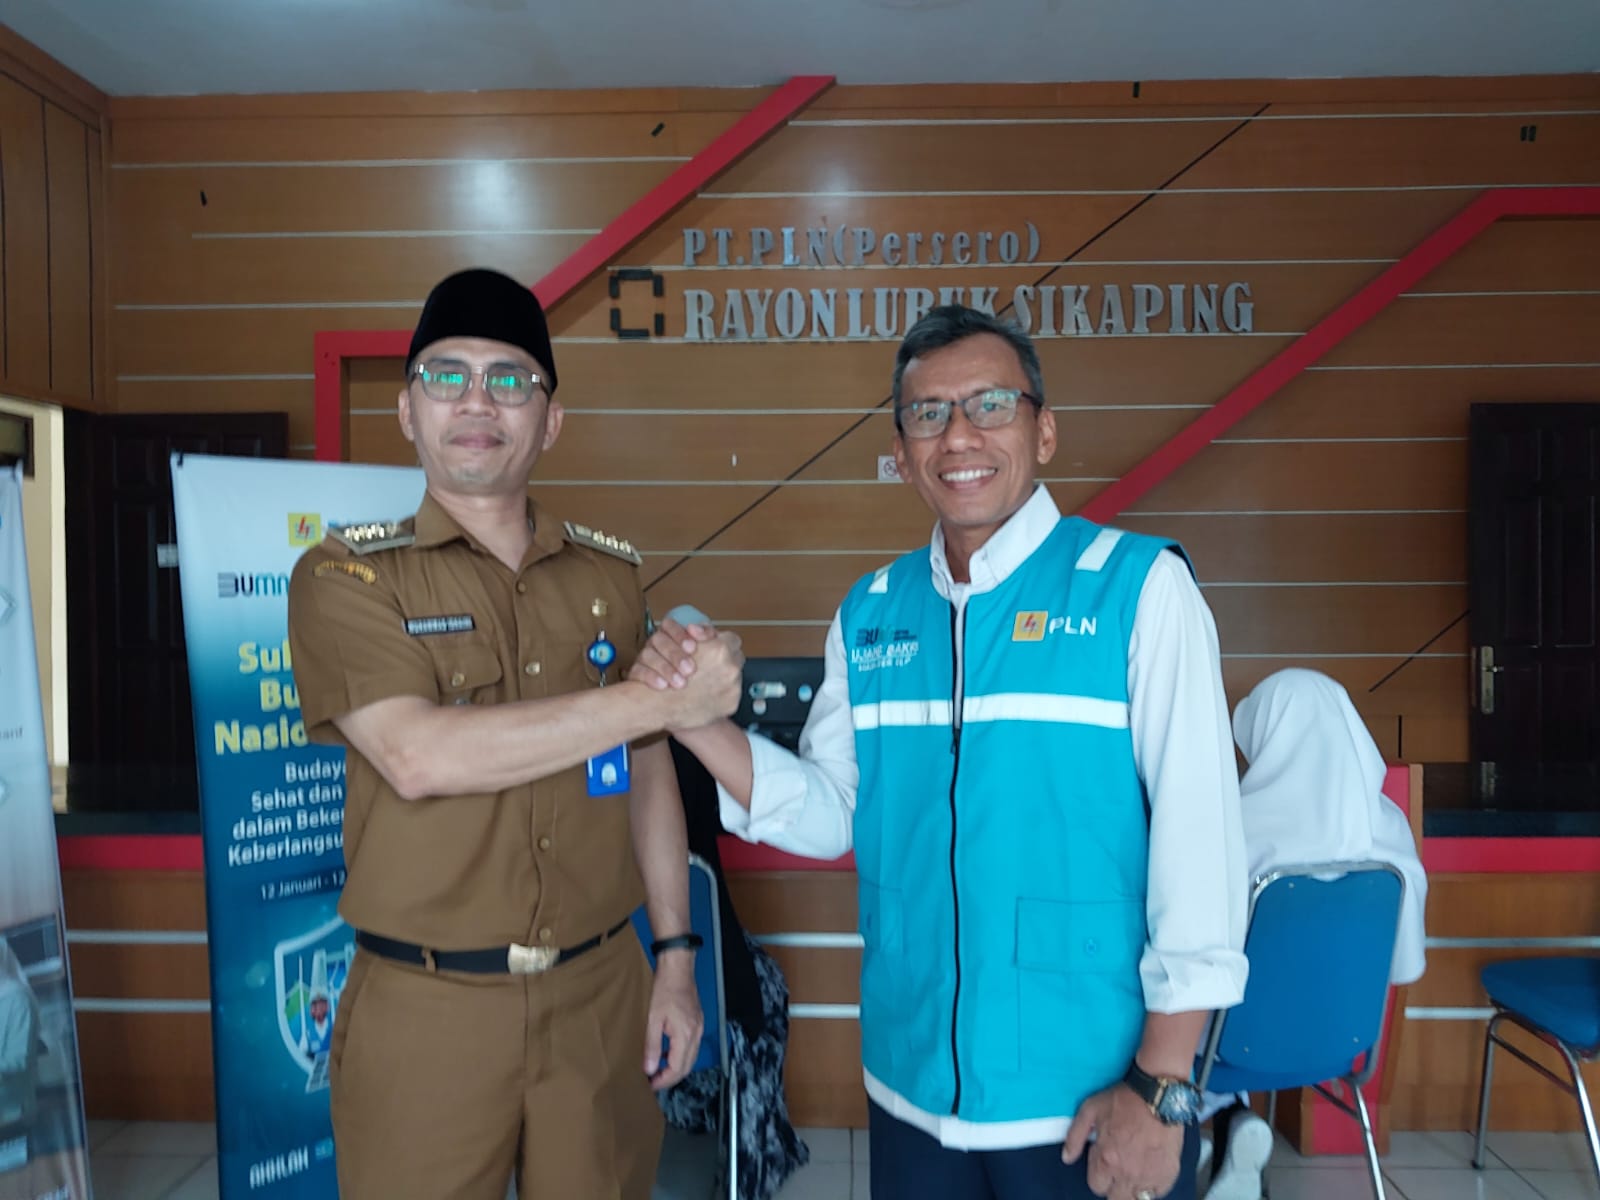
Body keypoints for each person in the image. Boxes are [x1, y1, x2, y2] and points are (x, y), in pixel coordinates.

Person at [632, 305, 1249, 1200]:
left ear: (1043, 431)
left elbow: (1202, 855)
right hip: (910, 1088)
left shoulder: (1139, 590)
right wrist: (689, 719)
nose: (959, 435)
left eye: (989, 405)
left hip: (1088, 1101)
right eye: (928, 413)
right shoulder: (871, 612)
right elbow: (835, 812)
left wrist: (1161, 1088)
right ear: (901, 450)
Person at [287, 268, 745, 1200]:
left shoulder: (607, 578)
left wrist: (676, 957)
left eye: (509, 379)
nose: (477, 401)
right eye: (446, 375)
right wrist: (662, 701)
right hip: (427, 1011)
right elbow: (418, 756)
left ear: (551, 420)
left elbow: (647, 775)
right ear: (407, 411)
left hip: (600, 994)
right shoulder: (346, 578)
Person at [1201, 668, 1429, 1200]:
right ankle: (1230, 1124)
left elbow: (1196, 958)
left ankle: (1204, 1125)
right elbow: (1405, 965)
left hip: (1230, 1044)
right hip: (1342, 1045)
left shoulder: (1230, 831)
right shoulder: (1389, 829)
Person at [658, 740, 811, 1200]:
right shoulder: (683, 750)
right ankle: (751, 1164)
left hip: (612, 988)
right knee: (767, 990)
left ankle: (686, 1104)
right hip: (701, 981)